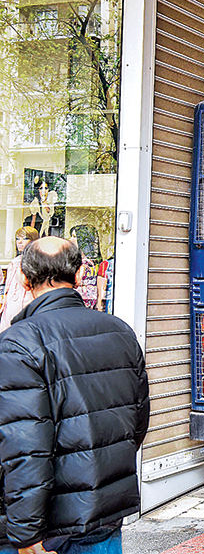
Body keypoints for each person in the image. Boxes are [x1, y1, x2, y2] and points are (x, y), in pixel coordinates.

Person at [0, 236, 150, 553]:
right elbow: (137, 424)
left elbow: (23, 447)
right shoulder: (120, 332)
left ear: (24, 279)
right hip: (104, 514)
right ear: (80, 275)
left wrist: (26, 534)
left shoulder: (17, 344)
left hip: (47, 526)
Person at [0, 227, 40, 331]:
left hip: (27, 305)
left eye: (25, 238)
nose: (20, 242)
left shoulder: (38, 262)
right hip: (10, 306)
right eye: (18, 239)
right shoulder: (15, 262)